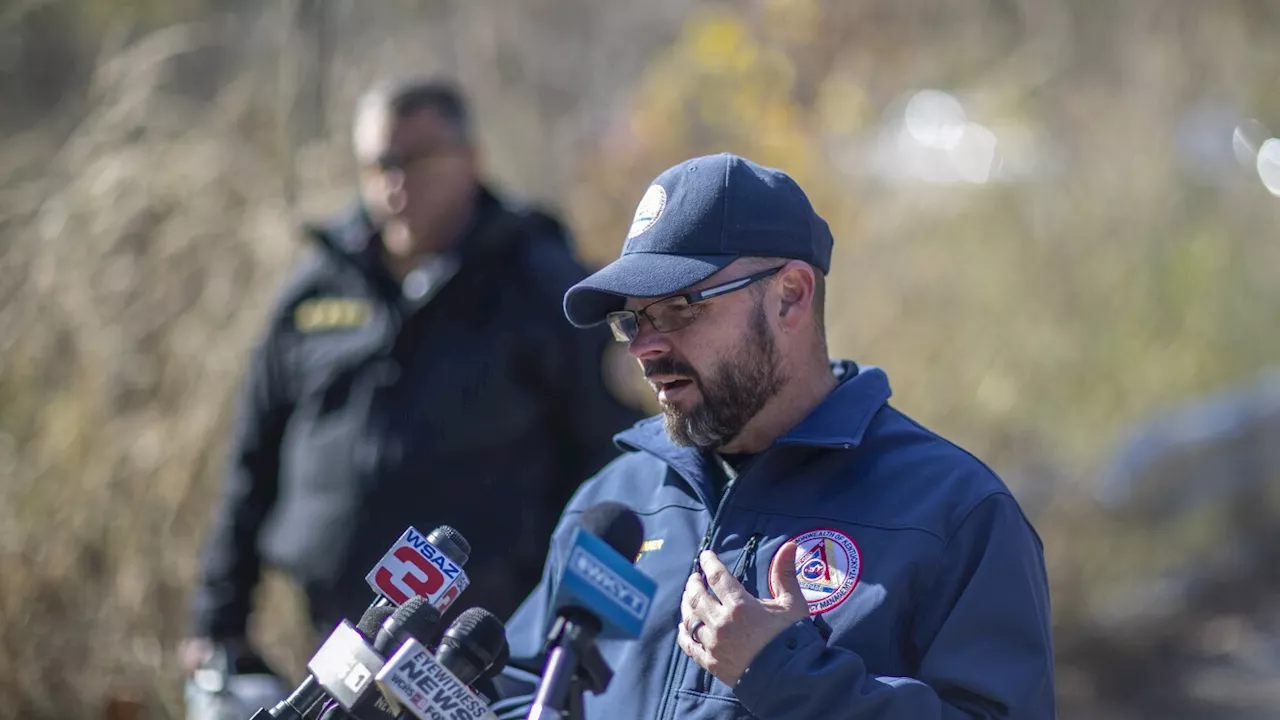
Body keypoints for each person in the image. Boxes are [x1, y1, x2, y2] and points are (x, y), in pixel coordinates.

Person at [491, 153, 1056, 719]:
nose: (644, 348)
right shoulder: (617, 501)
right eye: (632, 320)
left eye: (678, 308)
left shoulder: (952, 512)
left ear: (790, 295)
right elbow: (525, 690)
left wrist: (783, 675)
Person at [180, 77, 644, 677]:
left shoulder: (540, 284)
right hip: (332, 640)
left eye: (417, 161)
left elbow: (609, 462)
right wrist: (217, 620)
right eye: (380, 164)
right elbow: (252, 460)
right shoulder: (316, 288)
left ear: (471, 160)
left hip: (493, 647)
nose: (395, 183)